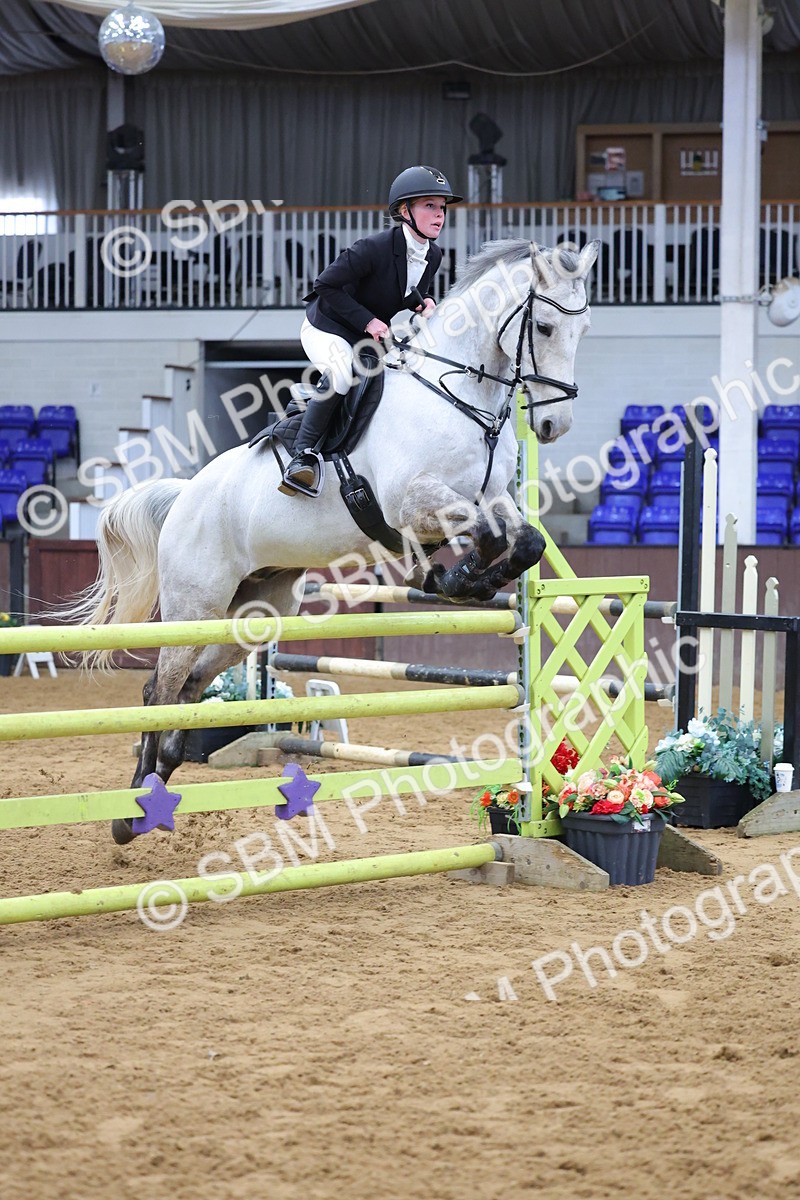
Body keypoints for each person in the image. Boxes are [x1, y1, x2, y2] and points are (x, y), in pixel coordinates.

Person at [279, 165, 462, 495]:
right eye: (430, 206)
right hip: (327, 325)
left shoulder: (432, 255)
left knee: (397, 377)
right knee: (340, 373)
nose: (439, 215)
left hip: (365, 334)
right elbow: (325, 285)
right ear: (404, 211)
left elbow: (406, 291)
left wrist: (425, 302)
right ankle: (301, 458)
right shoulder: (373, 247)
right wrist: (368, 321)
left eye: (442, 207)